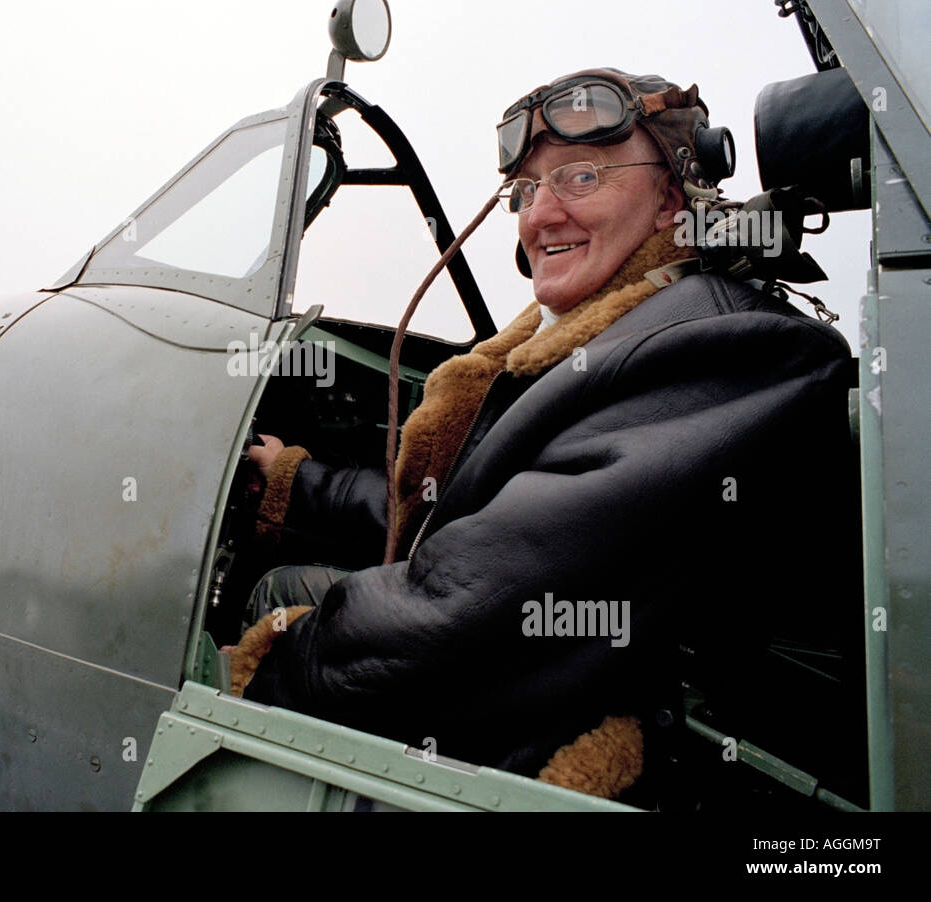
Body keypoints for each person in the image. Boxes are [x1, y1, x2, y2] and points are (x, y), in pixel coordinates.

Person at [229, 68, 861, 805]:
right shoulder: (588, 335)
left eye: (582, 176)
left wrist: (257, 674)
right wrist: (302, 482)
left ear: (667, 201)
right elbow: (466, 515)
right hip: (525, 667)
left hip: (595, 739)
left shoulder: (724, 346)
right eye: (525, 192)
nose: (540, 217)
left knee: (260, 627)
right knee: (278, 585)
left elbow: (466, 609)